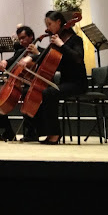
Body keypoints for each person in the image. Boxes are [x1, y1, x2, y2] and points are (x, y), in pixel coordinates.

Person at [21, 11, 87, 144]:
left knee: (49, 93)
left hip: (78, 83)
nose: (48, 28)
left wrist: (61, 44)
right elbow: (50, 61)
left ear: (59, 22)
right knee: (37, 91)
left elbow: (78, 58)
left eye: (50, 24)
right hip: (64, 82)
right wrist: (34, 56)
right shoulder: (56, 42)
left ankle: (54, 134)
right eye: (47, 25)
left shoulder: (75, 40)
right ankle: (41, 131)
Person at [0, 25, 40, 141]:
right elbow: (10, 62)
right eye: (20, 39)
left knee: (27, 94)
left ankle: (32, 133)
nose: (21, 41)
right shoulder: (20, 52)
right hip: (19, 85)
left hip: (34, 86)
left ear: (31, 37)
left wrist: (36, 55)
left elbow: (42, 67)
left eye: (23, 38)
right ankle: (8, 132)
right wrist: (3, 62)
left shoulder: (41, 51)